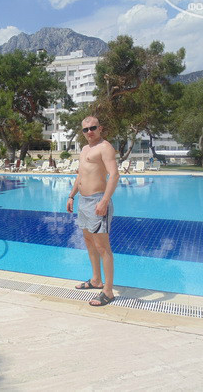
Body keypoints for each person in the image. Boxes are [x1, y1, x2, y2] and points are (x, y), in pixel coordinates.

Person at [66, 116, 120, 306]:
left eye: (93, 128)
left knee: (103, 247)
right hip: (83, 201)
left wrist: (104, 201)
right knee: (89, 242)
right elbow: (81, 174)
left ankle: (108, 291)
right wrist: (71, 195)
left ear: (100, 128)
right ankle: (96, 280)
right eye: (85, 129)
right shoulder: (84, 149)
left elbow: (114, 175)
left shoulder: (105, 147)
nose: (89, 132)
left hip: (98, 201)